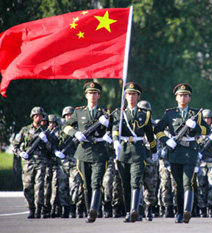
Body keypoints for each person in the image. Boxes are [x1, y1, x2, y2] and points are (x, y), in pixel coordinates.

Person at [154, 83, 210, 223]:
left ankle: (187, 211)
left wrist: (196, 126)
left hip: (190, 152)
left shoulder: (196, 114)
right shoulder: (169, 114)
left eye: (185, 95)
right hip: (175, 151)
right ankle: (179, 213)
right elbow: (158, 130)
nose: (183, 98)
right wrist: (166, 140)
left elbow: (207, 130)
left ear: (189, 98)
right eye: (180, 95)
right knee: (178, 185)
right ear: (176, 98)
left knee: (188, 183)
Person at [62, 81, 111, 223]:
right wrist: (74, 133)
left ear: (99, 95)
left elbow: (115, 128)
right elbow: (65, 125)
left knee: (96, 182)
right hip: (83, 151)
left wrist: (108, 127)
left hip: (100, 151)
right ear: (86, 95)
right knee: (86, 184)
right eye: (90, 93)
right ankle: (90, 209)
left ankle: (93, 210)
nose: (92, 95)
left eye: (95, 93)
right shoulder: (79, 112)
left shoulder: (104, 113)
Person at [112, 82, 158, 223]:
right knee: (125, 184)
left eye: (133, 94)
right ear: (125, 96)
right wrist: (115, 141)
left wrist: (154, 150)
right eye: (128, 94)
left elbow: (150, 134)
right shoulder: (119, 113)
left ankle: (134, 210)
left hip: (138, 150)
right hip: (123, 150)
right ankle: (127, 211)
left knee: (135, 181)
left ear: (138, 96)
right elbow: (115, 129)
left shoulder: (145, 115)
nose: (131, 97)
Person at [14, 106, 52, 218]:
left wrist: (45, 140)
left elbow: (51, 148)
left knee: (39, 186)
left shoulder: (46, 131)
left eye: (40, 116)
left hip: (41, 162)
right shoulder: (25, 130)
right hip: (28, 162)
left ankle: (39, 209)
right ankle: (31, 208)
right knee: (27, 186)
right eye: (36, 116)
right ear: (32, 117)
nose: (38, 118)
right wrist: (21, 153)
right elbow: (15, 146)